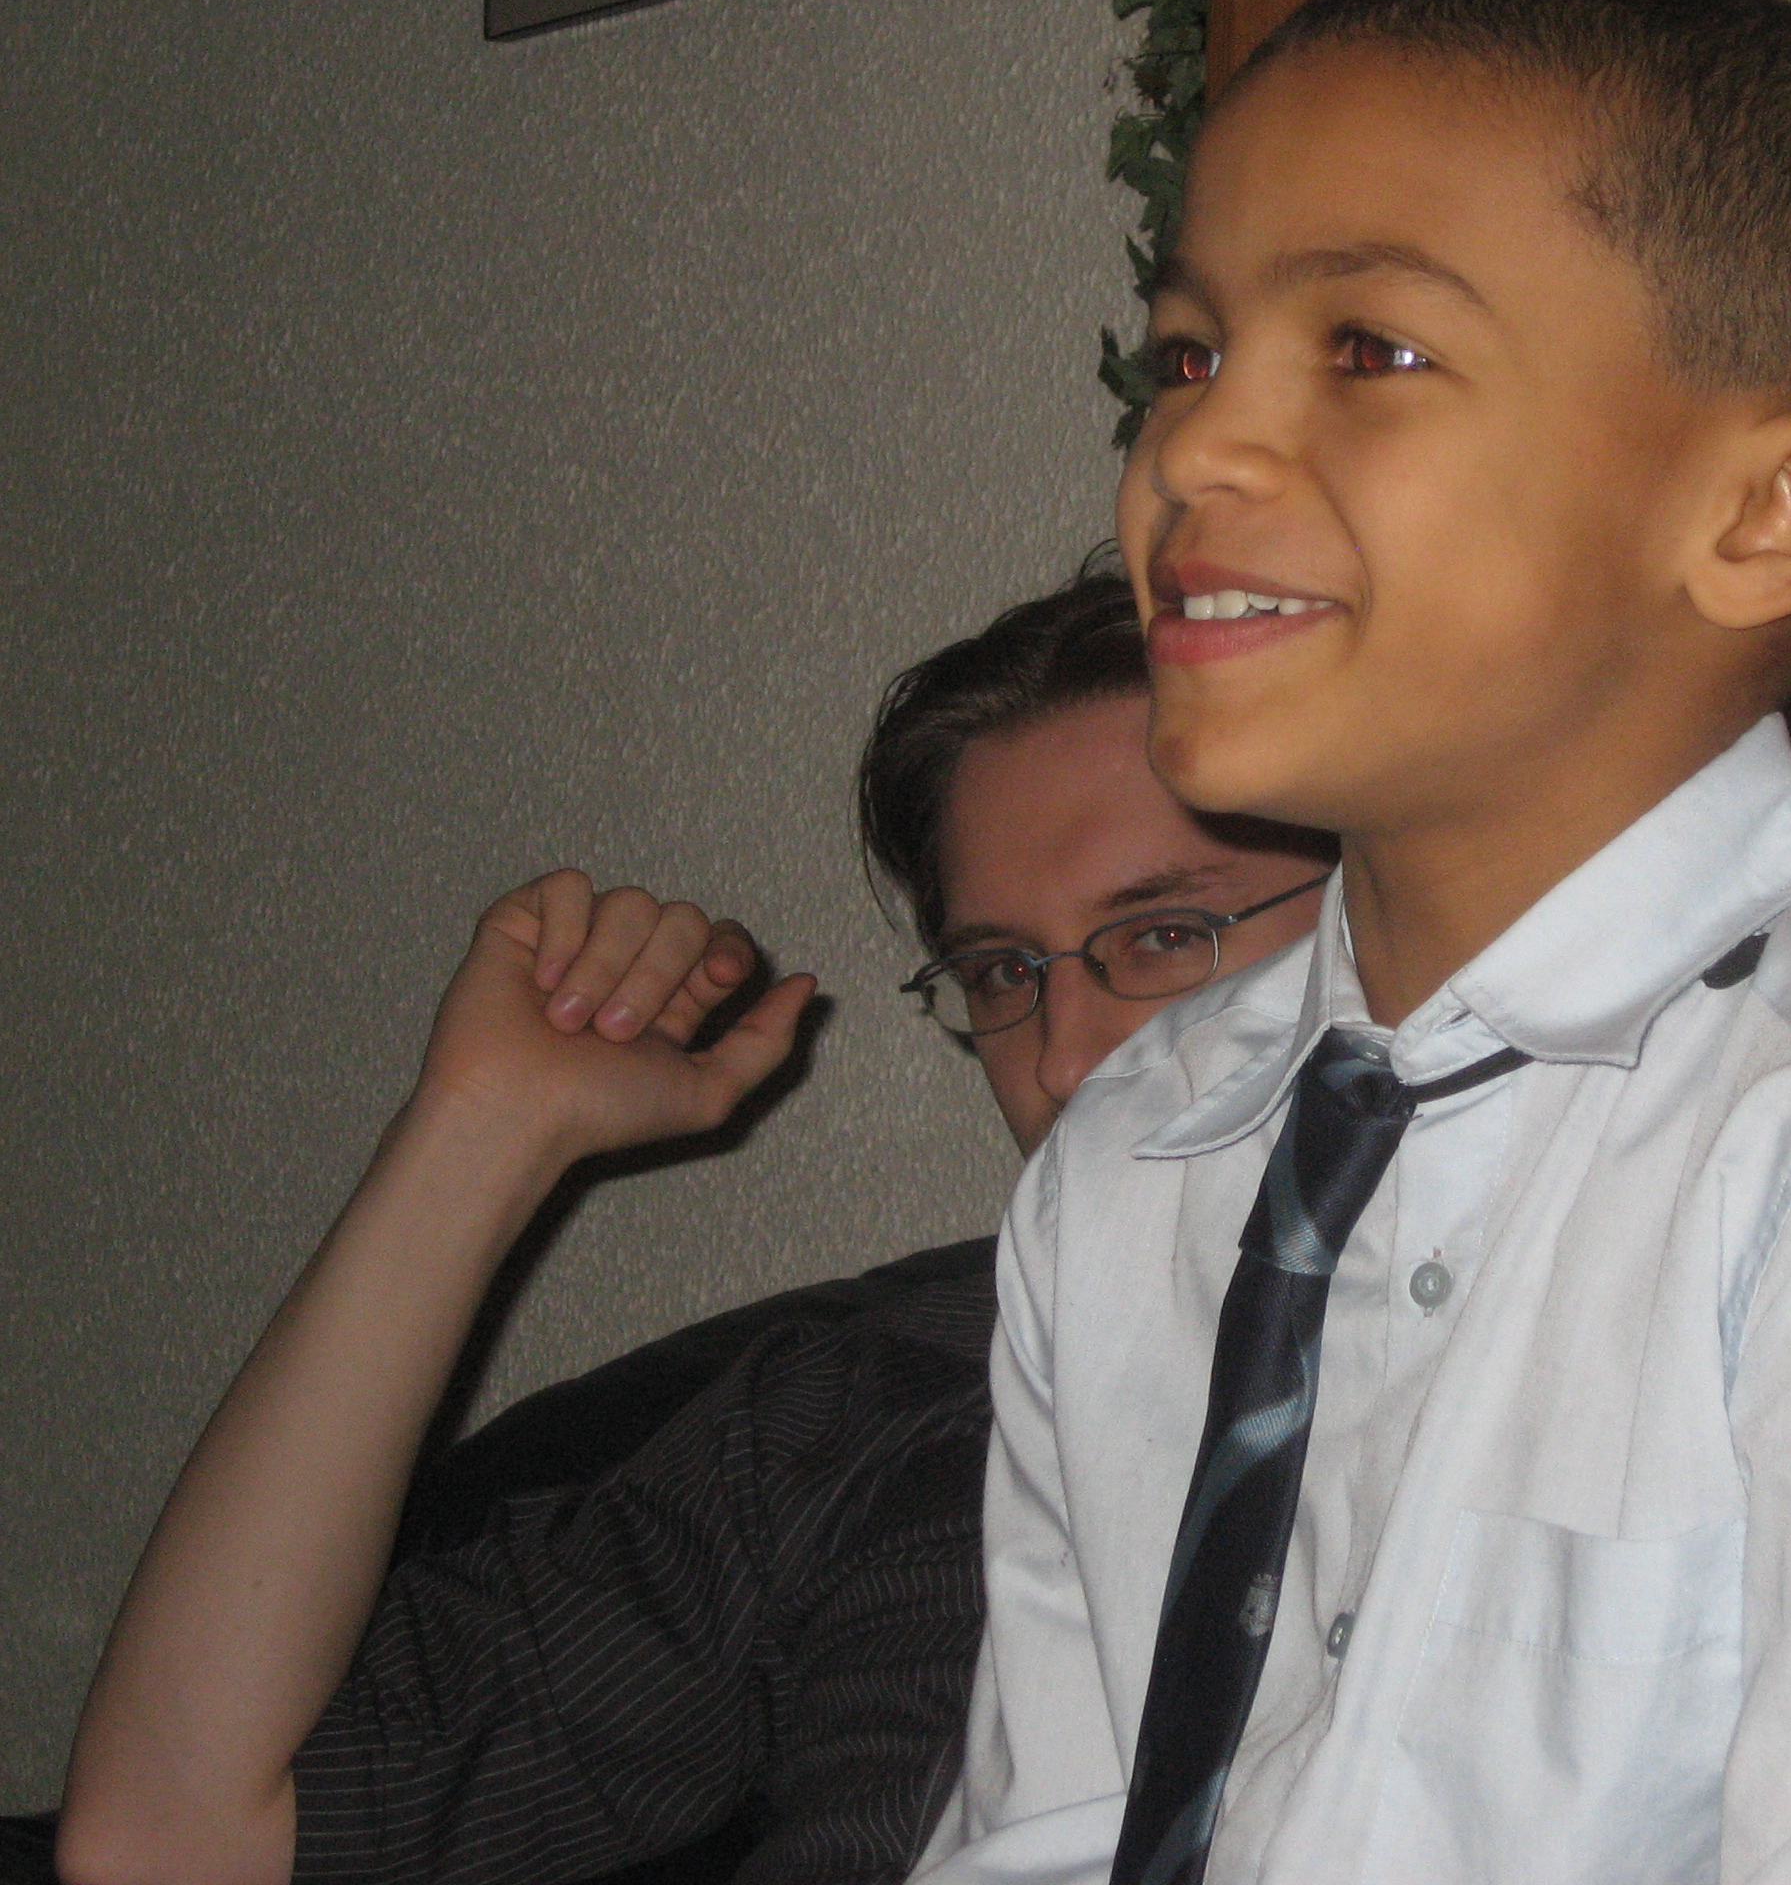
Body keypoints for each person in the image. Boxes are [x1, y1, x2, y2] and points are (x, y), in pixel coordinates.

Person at [922, 0, 1791, 1885]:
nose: (1192, 451)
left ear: (1767, 516)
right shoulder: (1140, 1158)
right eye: (1188, 356)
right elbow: (1047, 1828)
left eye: (1368, 351)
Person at [55, 566, 1329, 1885]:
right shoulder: (883, 1409)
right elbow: (167, 1836)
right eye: (1004, 972)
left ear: (1397, 924)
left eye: (1165, 935)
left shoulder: (1472, 1411)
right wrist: (481, 1134)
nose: (1062, 1060)